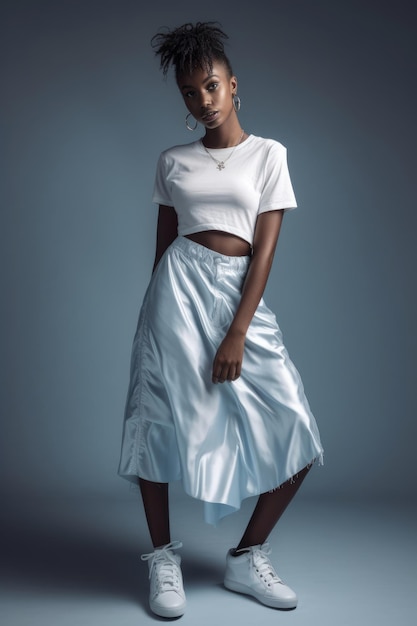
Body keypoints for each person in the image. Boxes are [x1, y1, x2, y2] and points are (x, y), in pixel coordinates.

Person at [118, 21, 323, 619]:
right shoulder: (172, 162)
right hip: (173, 297)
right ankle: (162, 560)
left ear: (234, 85)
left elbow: (264, 252)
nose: (202, 101)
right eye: (189, 92)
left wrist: (237, 329)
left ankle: (246, 555)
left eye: (210, 86)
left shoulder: (269, 155)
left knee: (294, 428)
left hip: (238, 298)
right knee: (155, 423)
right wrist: (154, 323)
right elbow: (162, 248)